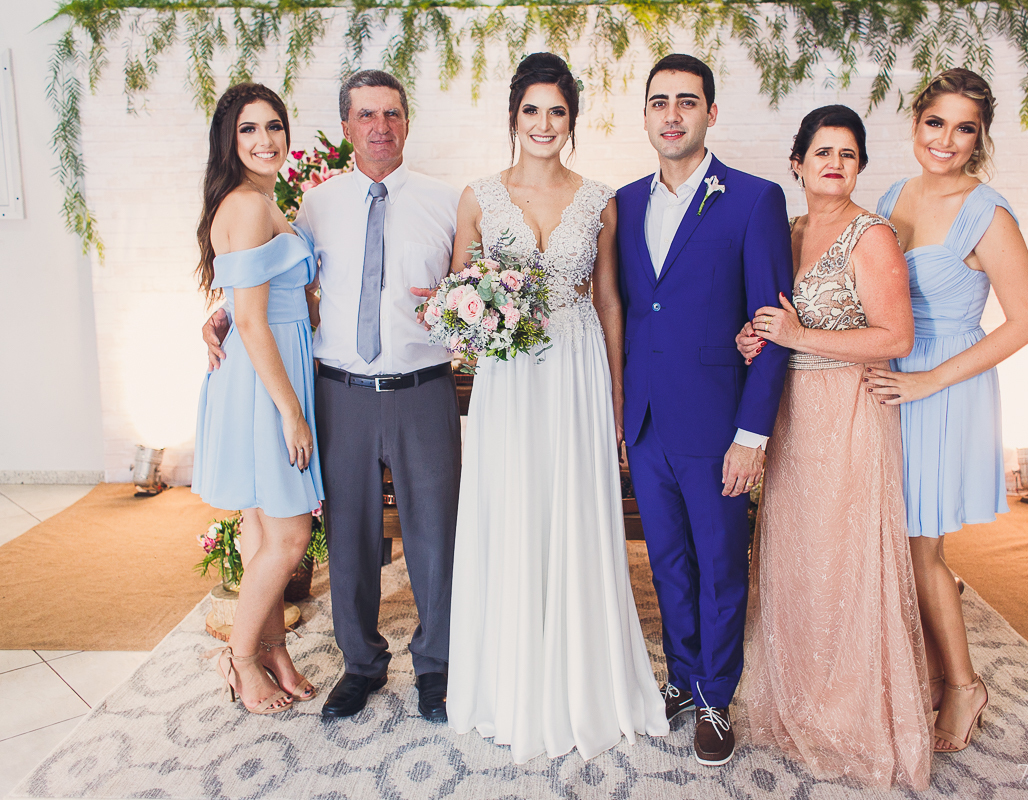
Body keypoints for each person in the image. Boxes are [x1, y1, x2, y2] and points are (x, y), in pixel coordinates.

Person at [203, 70, 461, 722]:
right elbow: (269, 286)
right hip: (338, 392)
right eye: (367, 115)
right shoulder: (314, 204)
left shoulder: (447, 201)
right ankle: (362, 664)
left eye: (393, 113)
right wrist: (223, 315)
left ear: (408, 122)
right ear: (346, 126)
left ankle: (436, 668)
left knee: (435, 537)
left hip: (423, 389)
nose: (381, 126)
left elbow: (470, 292)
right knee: (347, 539)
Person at [443, 52, 668, 764]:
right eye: (532, 110)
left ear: (573, 120)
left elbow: (608, 302)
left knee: (572, 513)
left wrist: (616, 401)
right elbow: (458, 294)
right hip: (510, 379)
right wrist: (484, 318)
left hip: (573, 366)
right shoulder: (478, 196)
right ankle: (506, 682)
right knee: (512, 510)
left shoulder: (600, 198)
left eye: (558, 111)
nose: (544, 124)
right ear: (514, 115)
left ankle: (580, 681)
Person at [734, 105, 930, 789]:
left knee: (845, 562)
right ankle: (800, 705)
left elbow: (896, 337)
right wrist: (754, 338)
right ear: (796, 162)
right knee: (796, 559)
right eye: (822, 151)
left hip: (847, 411)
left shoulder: (870, 236)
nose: (834, 163)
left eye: (848, 154)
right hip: (791, 414)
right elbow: (772, 320)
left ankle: (851, 715)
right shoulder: (786, 231)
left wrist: (797, 339)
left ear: (859, 167)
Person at [615, 53, 792, 766]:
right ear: (647, 115)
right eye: (659, 102)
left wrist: (751, 434)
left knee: (721, 564)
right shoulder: (623, 203)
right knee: (667, 564)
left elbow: (772, 326)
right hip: (649, 422)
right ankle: (683, 679)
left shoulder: (753, 198)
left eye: (687, 102)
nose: (672, 114)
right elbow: (629, 308)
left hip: (719, 422)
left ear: (711, 114)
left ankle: (718, 693)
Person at [866, 68, 1028, 753]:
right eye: (935, 122)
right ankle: (936, 675)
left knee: (922, 546)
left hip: (944, 384)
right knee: (901, 539)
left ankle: (965, 687)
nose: (946, 140)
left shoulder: (987, 212)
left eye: (964, 128)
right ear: (916, 125)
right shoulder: (892, 193)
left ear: (981, 138)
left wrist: (930, 379)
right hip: (895, 378)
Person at [193, 83, 322, 715]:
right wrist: (291, 410)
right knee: (291, 534)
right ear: (229, 139)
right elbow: (250, 320)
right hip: (268, 379)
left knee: (263, 527)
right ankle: (239, 658)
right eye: (249, 129)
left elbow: (244, 301)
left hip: (262, 369)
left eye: (274, 125)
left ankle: (275, 650)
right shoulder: (246, 204)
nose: (266, 140)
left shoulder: (258, 199)